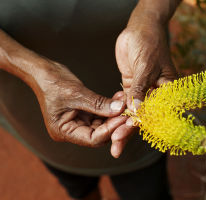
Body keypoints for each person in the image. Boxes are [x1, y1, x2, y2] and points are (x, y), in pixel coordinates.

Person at [0, 0, 181, 199]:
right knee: (78, 186)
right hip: (34, 104)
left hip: (145, 89)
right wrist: (33, 71)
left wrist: (150, 16)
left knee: (147, 189)